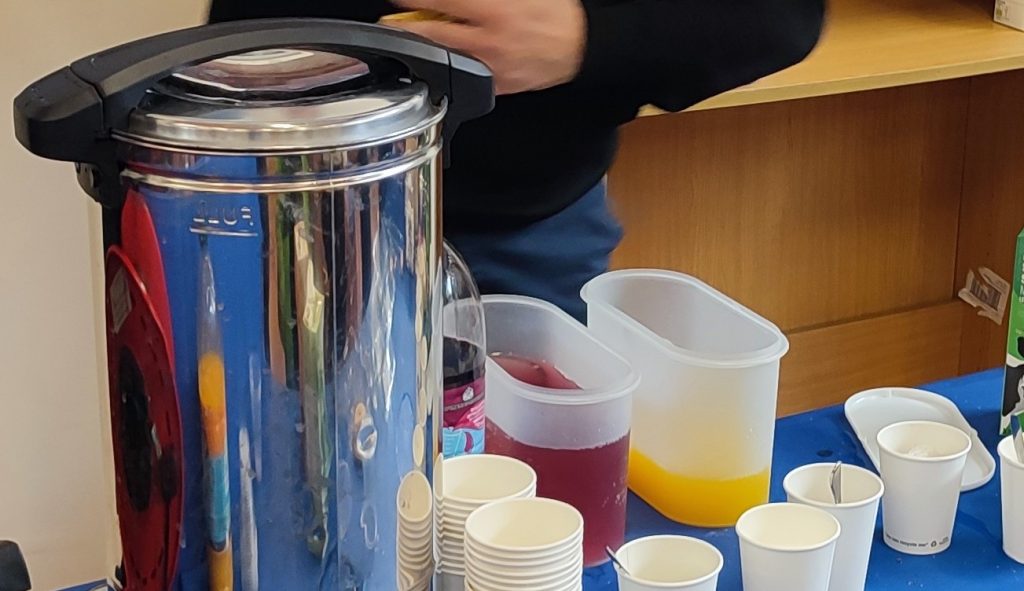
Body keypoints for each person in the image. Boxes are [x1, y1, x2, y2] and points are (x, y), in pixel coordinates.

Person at [210, 0, 825, 321]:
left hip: (527, 238)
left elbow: (781, 14)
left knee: (526, 532)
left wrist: (587, 39)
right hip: (269, 209)